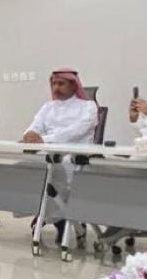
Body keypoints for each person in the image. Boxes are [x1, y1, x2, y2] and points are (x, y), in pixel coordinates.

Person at [21, 68, 98, 243]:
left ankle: (58, 218)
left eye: (61, 83)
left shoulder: (88, 107)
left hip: (74, 159)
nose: (56, 87)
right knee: (25, 169)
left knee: (54, 172)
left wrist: (44, 139)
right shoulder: (48, 107)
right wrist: (29, 134)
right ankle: (55, 217)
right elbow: (34, 126)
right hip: (49, 155)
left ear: (74, 85)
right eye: (54, 84)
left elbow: (75, 132)